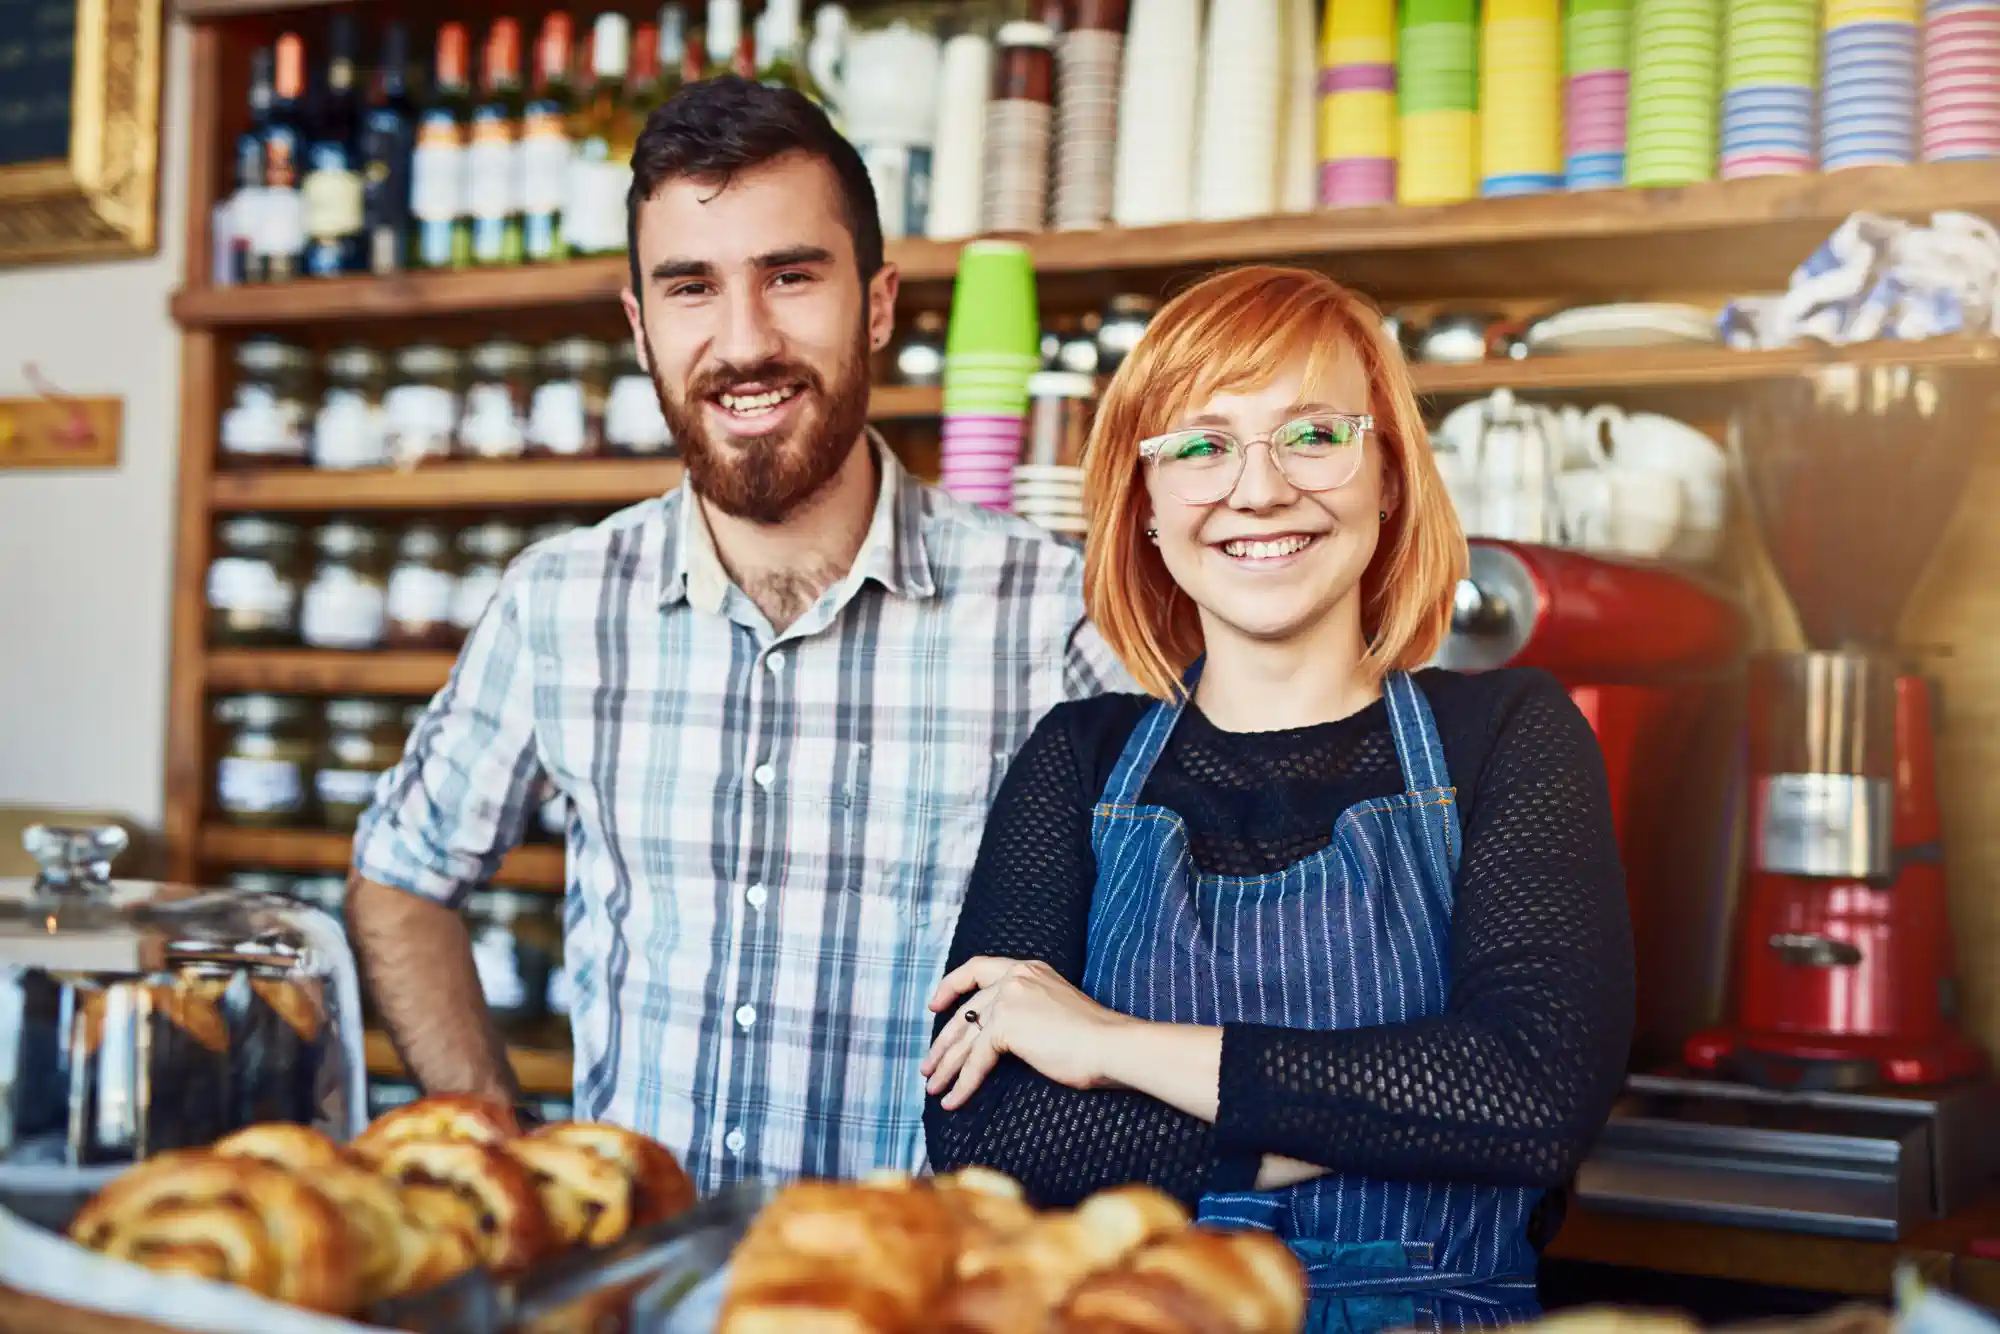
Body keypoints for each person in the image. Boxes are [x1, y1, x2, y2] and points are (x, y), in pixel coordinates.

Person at [346, 76, 1129, 1191]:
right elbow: (400, 877)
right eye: (690, 288)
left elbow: (1196, 949)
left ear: (876, 305)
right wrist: (501, 1152)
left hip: (914, 1272)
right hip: (637, 1269)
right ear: (640, 326)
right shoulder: (555, 604)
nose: (744, 340)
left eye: (790, 277)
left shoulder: (1057, 614)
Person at [921, 265, 1634, 1331]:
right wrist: (1400, 1110)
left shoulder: (1509, 736)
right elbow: (989, 1139)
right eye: (1200, 447)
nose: (1257, 491)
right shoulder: (1075, 758)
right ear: (1145, 504)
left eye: (1313, 435)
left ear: (1387, 477)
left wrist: (1109, 1046)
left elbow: (1531, 1095)